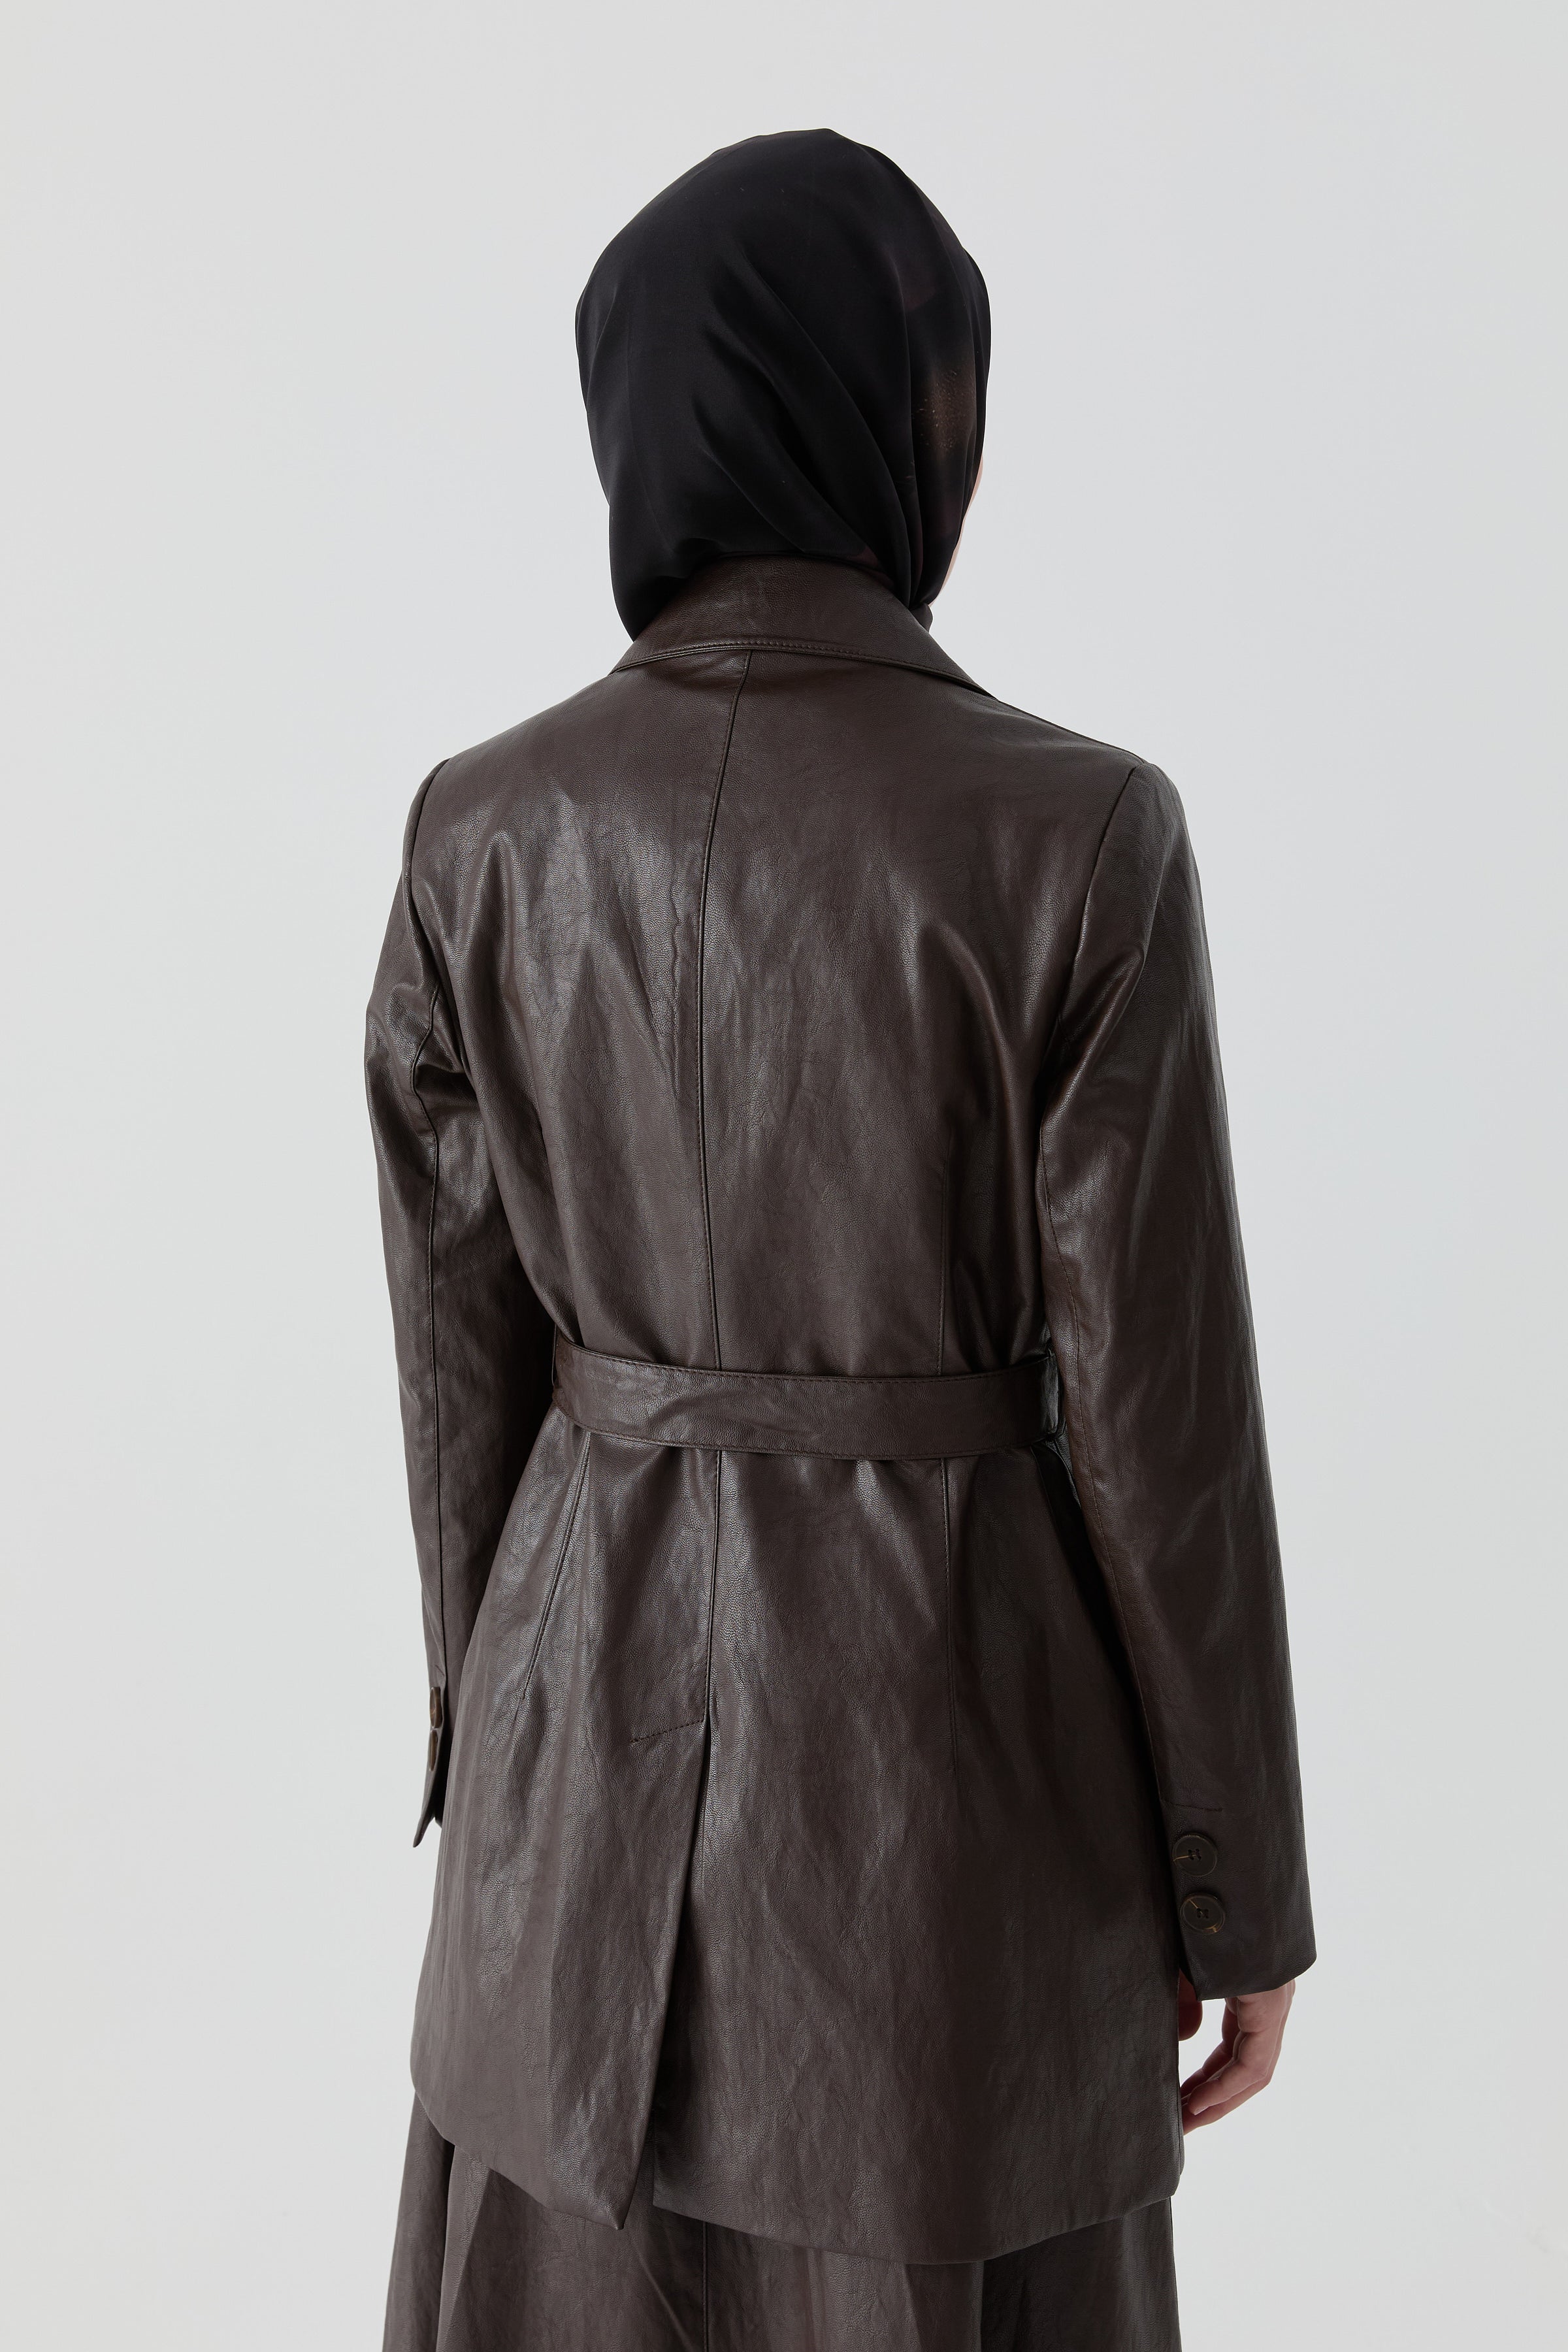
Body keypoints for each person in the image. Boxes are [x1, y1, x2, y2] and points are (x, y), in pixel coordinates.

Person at [366, 128, 1313, 2352]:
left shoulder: (478, 832)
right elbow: (1161, 1426)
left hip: (566, 1849)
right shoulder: (1079, 836)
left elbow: (456, 1385)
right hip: (955, 1844)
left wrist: (504, 1769)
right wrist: (1237, 1887)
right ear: (914, 413)